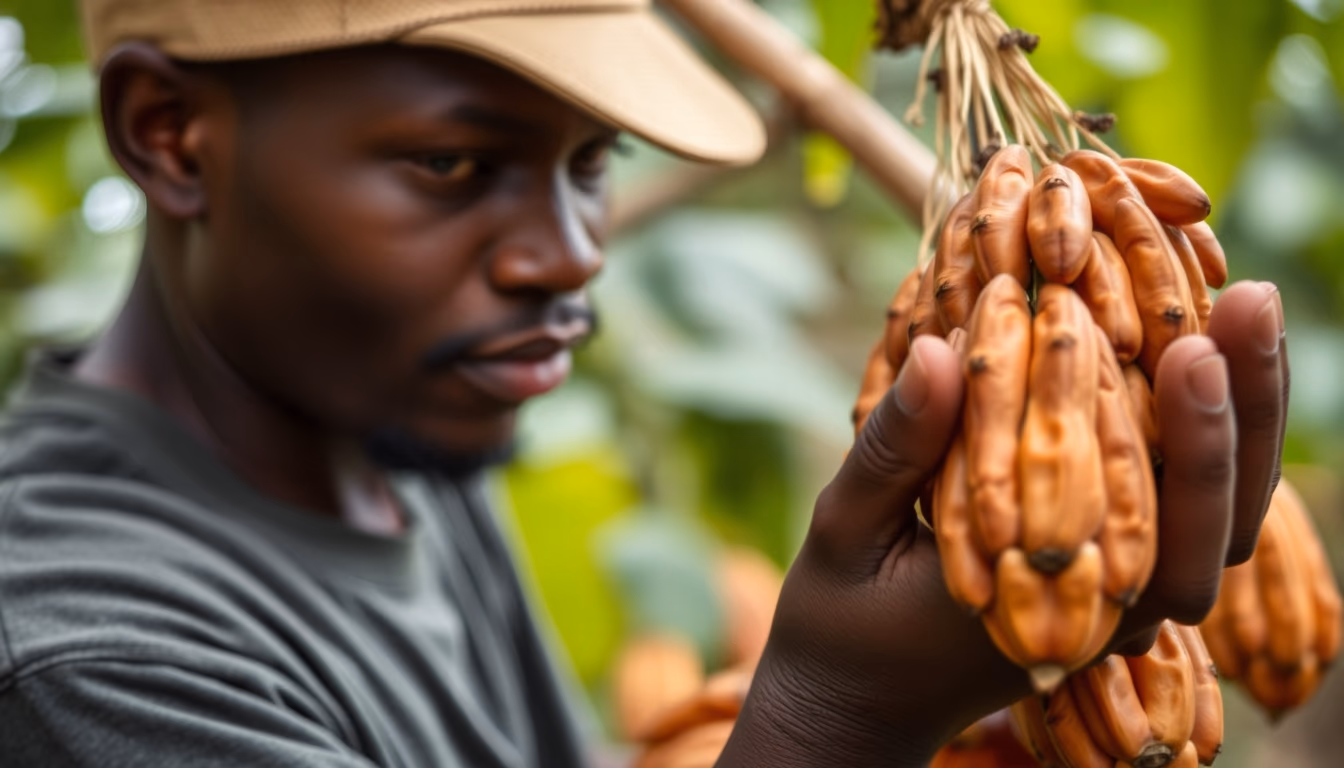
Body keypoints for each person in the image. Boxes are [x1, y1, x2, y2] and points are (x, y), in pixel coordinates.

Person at [0, 1, 1289, 766]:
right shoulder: (84, 669)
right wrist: (831, 717)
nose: (569, 253)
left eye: (589, 163)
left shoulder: (386, 453)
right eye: (454, 165)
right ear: (169, 136)